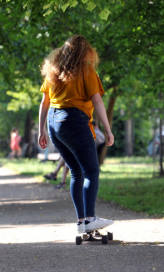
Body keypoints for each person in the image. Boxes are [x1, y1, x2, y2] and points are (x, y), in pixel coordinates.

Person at [37, 35, 116, 236]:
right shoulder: (86, 71)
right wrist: (108, 129)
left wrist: (41, 130)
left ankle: (82, 221)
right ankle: (90, 219)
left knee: (76, 171)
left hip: (54, 123)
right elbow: (97, 102)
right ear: (86, 52)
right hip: (74, 120)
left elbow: (44, 103)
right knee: (91, 171)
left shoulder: (53, 72)